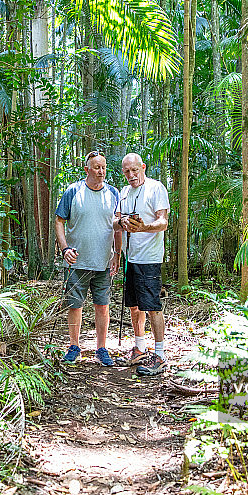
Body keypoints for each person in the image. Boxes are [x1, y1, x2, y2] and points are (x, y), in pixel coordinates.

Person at [55, 150, 122, 366]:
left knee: (102, 306)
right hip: (77, 261)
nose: (101, 171)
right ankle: (74, 346)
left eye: (103, 167)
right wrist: (64, 248)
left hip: (103, 260)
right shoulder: (73, 191)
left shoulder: (113, 193)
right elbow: (59, 221)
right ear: (87, 169)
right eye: (96, 167)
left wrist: (117, 255)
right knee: (75, 305)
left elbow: (118, 227)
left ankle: (101, 349)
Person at [113, 153, 169, 376]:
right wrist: (122, 222)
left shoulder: (156, 188)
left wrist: (143, 227)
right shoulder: (124, 192)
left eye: (134, 170)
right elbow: (115, 222)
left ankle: (160, 355)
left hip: (150, 258)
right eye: (127, 171)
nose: (131, 175)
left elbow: (163, 222)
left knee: (152, 306)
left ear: (143, 167)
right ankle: (140, 348)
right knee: (134, 305)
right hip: (130, 257)